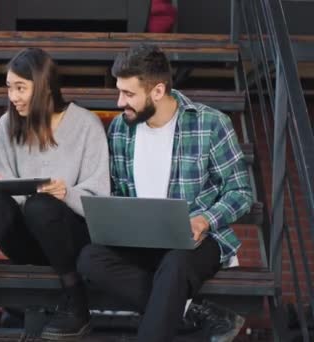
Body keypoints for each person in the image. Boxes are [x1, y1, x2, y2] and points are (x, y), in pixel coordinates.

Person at [0, 47, 111, 342]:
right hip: (26, 241)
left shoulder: (86, 124)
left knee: (42, 205)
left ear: (43, 86)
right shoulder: (8, 123)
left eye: (20, 88)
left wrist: (66, 192)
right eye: (9, 88)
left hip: (71, 240)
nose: (13, 97)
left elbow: (100, 198)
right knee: (0, 202)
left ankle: (77, 302)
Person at [76, 43, 253, 342]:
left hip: (197, 241)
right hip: (141, 241)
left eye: (129, 94)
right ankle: (196, 313)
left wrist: (204, 220)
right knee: (89, 259)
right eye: (119, 91)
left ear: (158, 91)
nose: (120, 102)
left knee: (175, 264)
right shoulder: (121, 129)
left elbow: (241, 191)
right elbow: (118, 190)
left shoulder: (210, 124)